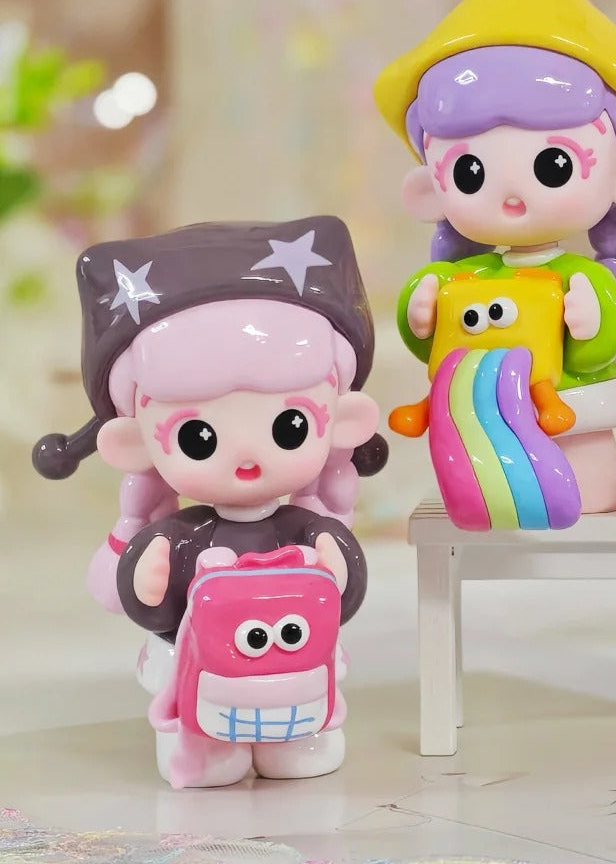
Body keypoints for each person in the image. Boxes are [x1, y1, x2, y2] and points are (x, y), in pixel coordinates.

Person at [33, 215, 386, 783]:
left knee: (300, 730)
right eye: (198, 437)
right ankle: (203, 748)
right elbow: (143, 601)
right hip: (200, 682)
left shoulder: (307, 526)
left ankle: (298, 738)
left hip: (297, 681)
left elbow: (345, 591)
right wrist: (148, 579)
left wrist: (335, 566)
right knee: (195, 717)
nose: (246, 456)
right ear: (133, 443)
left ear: (344, 421)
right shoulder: (179, 536)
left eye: (290, 426)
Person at [374, 0, 616, 513]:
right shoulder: (459, 278)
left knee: (588, 485)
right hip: (483, 429)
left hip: (574, 410)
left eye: (553, 165)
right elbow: (435, 347)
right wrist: (418, 312)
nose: (512, 195)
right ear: (427, 190)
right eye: (470, 172)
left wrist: (590, 323)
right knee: (486, 494)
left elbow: (603, 345)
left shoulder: (581, 277)